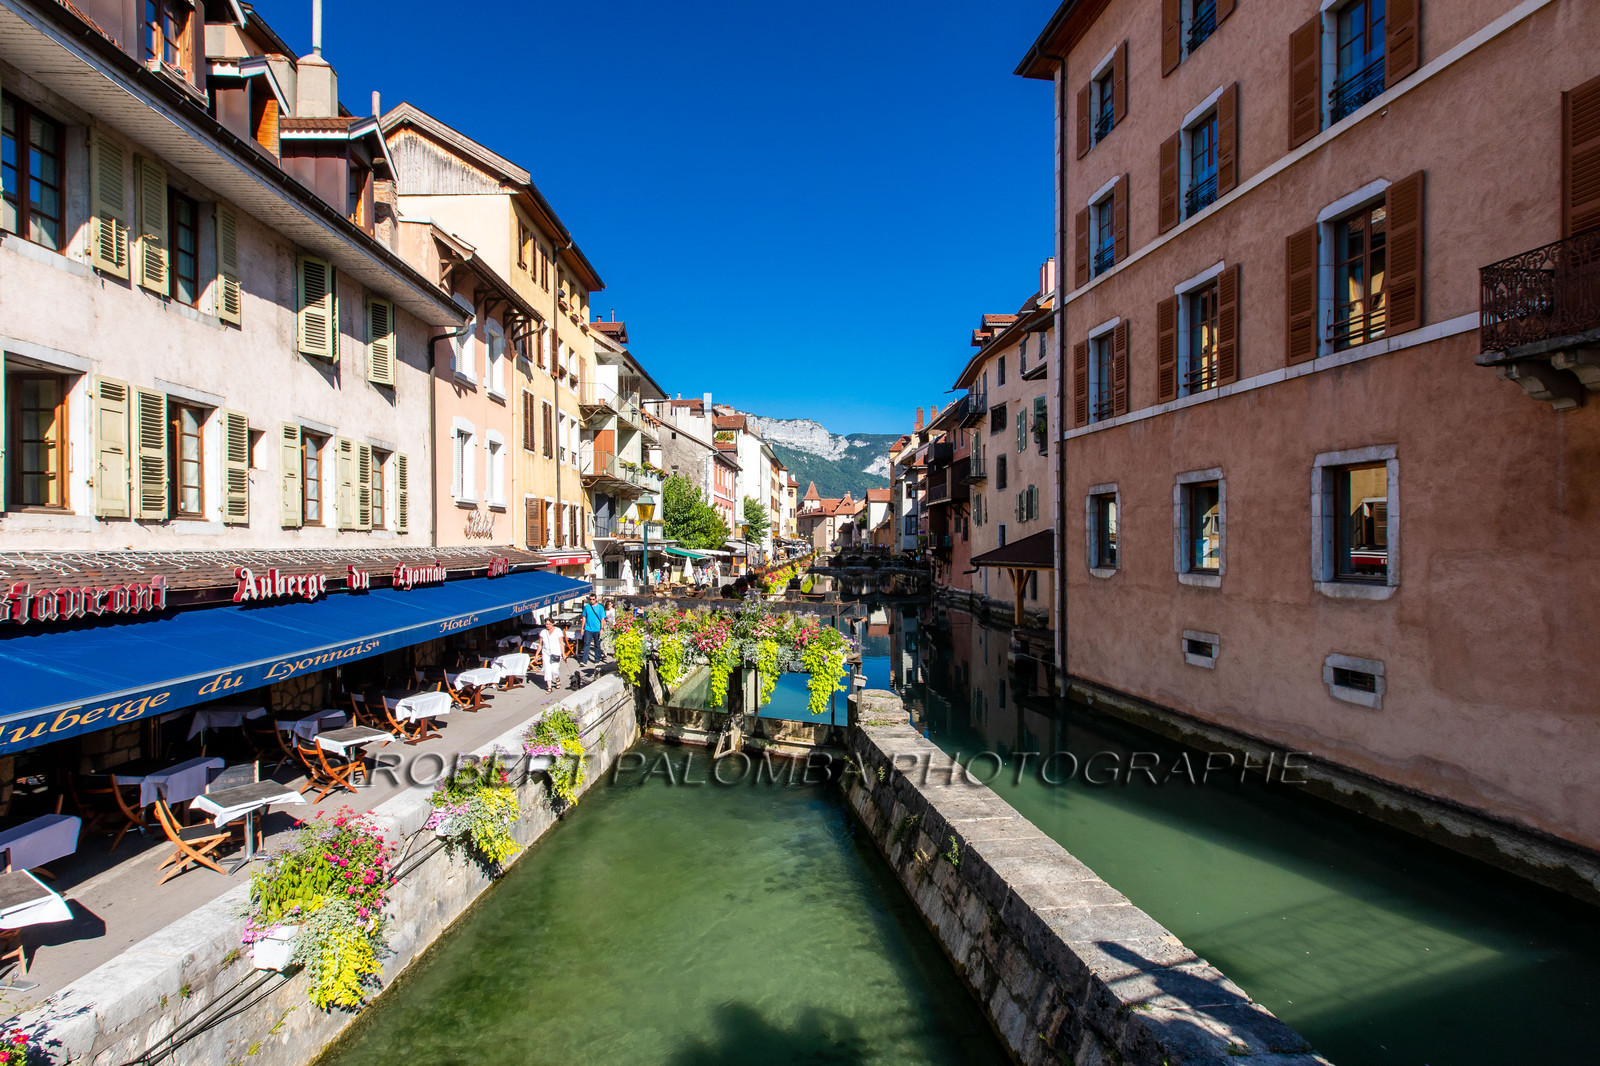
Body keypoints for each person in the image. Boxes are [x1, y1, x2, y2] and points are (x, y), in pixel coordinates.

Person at [539, 617, 564, 690]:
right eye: (546, 624)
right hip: (546, 652)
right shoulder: (543, 632)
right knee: (547, 669)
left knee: (554, 669)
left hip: (556, 652)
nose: (547, 626)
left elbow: (561, 643)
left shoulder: (558, 631)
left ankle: (557, 678)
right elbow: (540, 644)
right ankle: (549, 687)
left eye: (549, 624)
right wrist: (537, 655)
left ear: (553, 624)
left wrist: (564, 653)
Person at [580, 594, 605, 665]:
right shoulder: (587, 607)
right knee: (586, 644)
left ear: (596, 599)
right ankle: (584, 661)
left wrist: (602, 629)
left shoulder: (600, 607)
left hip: (597, 629)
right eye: (590, 599)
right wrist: (582, 628)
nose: (591, 601)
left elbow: (603, 619)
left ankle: (597, 659)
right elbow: (584, 617)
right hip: (588, 629)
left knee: (597, 645)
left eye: (593, 599)